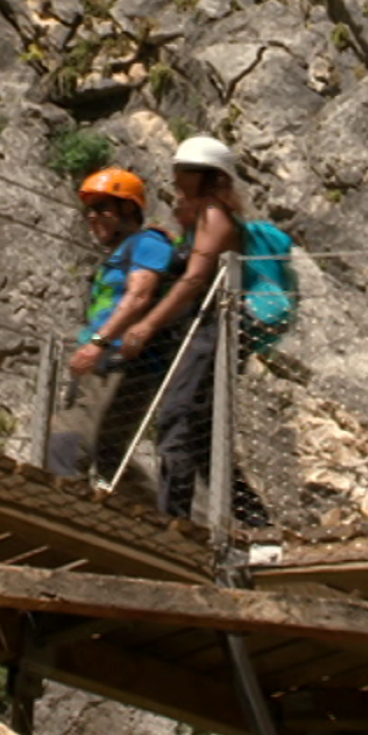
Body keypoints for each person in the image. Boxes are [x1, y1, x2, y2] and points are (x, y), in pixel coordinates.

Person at [118, 136, 269, 525]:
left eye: (183, 169)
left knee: (177, 420)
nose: (175, 176)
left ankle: (174, 524)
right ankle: (257, 524)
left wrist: (148, 324)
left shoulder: (215, 215)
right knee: (201, 442)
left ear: (204, 175)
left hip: (209, 332)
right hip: (199, 330)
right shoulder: (202, 216)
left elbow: (194, 280)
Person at [46, 168, 178, 496]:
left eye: (103, 208)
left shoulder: (148, 243)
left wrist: (97, 344)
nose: (93, 217)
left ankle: (65, 512)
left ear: (129, 210)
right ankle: (155, 523)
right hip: (106, 359)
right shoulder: (118, 256)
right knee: (109, 455)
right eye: (90, 210)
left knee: (67, 439)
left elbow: (139, 295)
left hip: (119, 358)